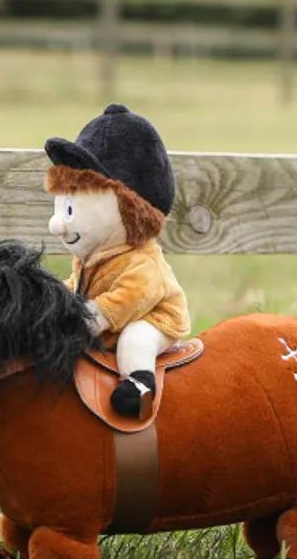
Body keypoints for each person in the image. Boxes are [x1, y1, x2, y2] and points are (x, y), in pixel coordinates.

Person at [44, 103, 190, 418]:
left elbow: (136, 295)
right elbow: (81, 287)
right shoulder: (94, 256)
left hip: (155, 318)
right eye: (61, 209)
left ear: (128, 208)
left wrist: (92, 316)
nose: (58, 225)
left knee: (134, 340)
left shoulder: (142, 260)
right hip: (108, 319)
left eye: (70, 212)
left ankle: (139, 386)